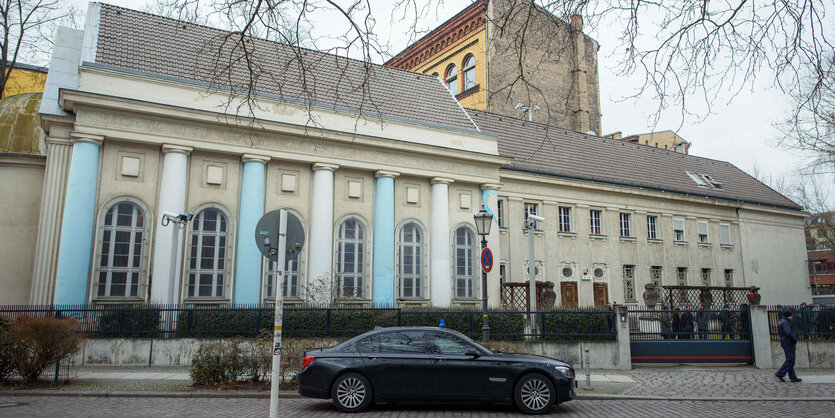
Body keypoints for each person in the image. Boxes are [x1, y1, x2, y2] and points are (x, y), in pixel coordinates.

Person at [775, 310, 801, 383]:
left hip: (784, 341)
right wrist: (794, 338)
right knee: (790, 359)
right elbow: (788, 332)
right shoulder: (785, 322)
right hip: (788, 342)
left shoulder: (781, 321)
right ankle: (780, 373)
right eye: (791, 316)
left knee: (789, 360)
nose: (792, 317)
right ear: (788, 316)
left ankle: (793, 377)